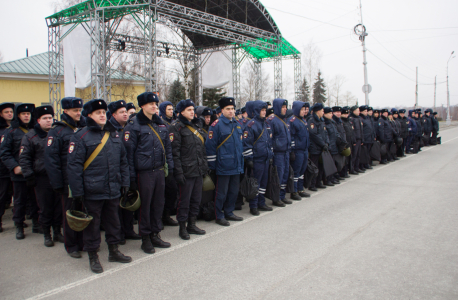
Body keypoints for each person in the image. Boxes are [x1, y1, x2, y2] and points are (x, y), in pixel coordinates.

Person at [67, 99, 132, 273]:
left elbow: (123, 162)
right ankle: (93, 256)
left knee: (113, 222)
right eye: (98, 113)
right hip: (92, 190)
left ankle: (114, 251)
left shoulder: (115, 134)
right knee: (92, 226)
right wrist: (77, 193)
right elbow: (74, 167)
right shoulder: (80, 136)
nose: (102, 115)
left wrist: (125, 183)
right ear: (89, 115)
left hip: (113, 188)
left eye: (104, 112)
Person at [123, 92, 174, 254]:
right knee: (145, 206)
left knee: (158, 204)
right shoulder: (134, 126)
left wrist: (170, 168)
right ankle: (145, 238)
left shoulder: (161, 125)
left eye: (156, 104)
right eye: (151, 104)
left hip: (159, 171)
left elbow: (168, 149)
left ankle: (155, 234)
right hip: (143, 173)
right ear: (142, 106)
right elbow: (128, 155)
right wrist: (131, 178)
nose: (154, 106)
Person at [19, 105, 64, 247]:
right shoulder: (30, 136)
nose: (48, 121)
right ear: (38, 120)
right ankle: (46, 234)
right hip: (41, 178)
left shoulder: (57, 134)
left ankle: (57, 232)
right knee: (45, 207)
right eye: (45, 118)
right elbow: (24, 158)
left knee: (58, 206)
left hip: (57, 176)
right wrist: (29, 175)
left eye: (50, 118)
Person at [45, 97, 85, 258]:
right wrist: (57, 183)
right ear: (65, 111)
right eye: (75, 110)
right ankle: (72, 245)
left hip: (82, 178)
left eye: (79, 110)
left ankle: (82, 242)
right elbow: (51, 159)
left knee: (82, 211)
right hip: (67, 180)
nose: (78, 113)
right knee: (70, 212)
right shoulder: (57, 131)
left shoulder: (82, 127)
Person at [169, 99, 208, 239]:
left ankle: (192, 224)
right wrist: (178, 173)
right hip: (186, 172)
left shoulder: (196, 125)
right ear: (181, 112)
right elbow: (175, 153)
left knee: (196, 199)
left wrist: (204, 167)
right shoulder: (176, 127)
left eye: (193, 109)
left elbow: (201, 149)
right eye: (189, 110)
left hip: (197, 170)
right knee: (184, 201)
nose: (192, 112)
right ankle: (182, 227)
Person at [0, 103, 40, 239]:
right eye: (24, 114)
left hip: (34, 172)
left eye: (28, 114)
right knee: (19, 200)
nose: (26, 116)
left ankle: (36, 223)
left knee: (35, 200)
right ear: (19, 116)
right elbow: (4, 153)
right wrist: (14, 167)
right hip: (19, 173)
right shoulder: (10, 132)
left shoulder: (36, 130)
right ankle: (19, 225)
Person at [205, 97, 244, 226]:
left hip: (236, 164)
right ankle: (219, 214)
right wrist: (212, 166)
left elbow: (239, 145)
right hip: (223, 165)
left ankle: (229, 212)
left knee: (233, 191)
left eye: (233, 108)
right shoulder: (216, 125)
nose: (231, 111)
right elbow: (210, 147)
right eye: (228, 109)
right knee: (221, 193)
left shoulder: (237, 124)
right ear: (222, 110)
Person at [108, 100, 142, 243]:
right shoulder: (109, 130)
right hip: (114, 172)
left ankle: (128, 230)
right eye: (121, 112)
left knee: (128, 200)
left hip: (127, 169)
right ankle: (118, 234)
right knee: (116, 207)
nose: (125, 114)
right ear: (114, 115)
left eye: (125, 112)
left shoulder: (129, 128)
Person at [243, 100, 274, 215]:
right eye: (262, 110)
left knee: (263, 183)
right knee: (255, 183)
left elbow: (269, 142)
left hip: (265, 158)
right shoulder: (251, 125)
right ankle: (253, 205)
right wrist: (249, 158)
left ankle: (261, 202)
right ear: (256, 111)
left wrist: (270, 155)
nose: (264, 112)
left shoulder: (265, 124)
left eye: (265, 110)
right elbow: (247, 143)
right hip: (257, 159)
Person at [266, 99, 292, 205]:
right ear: (277, 107)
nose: (285, 109)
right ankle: (276, 198)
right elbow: (270, 139)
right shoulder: (272, 120)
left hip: (285, 152)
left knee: (285, 174)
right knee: (278, 176)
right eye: (283, 107)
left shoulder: (284, 120)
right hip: (278, 153)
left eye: (286, 107)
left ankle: (282, 195)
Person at [158, 101, 179, 227]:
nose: (171, 111)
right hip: (164, 161)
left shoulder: (175, 123)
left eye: (172, 109)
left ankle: (167, 215)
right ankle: (161, 217)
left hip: (174, 160)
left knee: (172, 191)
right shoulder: (161, 124)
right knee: (163, 192)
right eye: (169, 109)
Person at [289, 101, 311, 199]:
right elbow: (292, 137)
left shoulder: (303, 120)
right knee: (296, 171)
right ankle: (294, 191)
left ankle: (300, 188)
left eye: (304, 109)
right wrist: (292, 150)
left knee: (302, 170)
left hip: (304, 149)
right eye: (302, 109)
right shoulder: (293, 121)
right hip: (298, 150)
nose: (304, 111)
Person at [0, 102, 14, 232]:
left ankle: (18, 219)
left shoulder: (15, 128)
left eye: (11, 111)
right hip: (2, 170)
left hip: (14, 169)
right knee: (2, 195)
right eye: (6, 112)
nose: (10, 114)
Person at [308, 103, 328, 191]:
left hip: (321, 147)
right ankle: (312, 184)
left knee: (321, 165)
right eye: (322, 111)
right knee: (314, 166)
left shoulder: (321, 120)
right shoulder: (312, 120)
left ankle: (318, 182)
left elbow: (325, 133)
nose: (323, 112)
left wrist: (326, 143)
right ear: (318, 111)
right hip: (315, 147)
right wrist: (323, 144)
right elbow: (314, 134)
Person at [323, 107, 341, 185]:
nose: (331, 115)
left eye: (331, 113)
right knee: (328, 164)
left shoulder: (332, 122)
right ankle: (327, 179)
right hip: (329, 145)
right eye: (329, 113)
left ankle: (332, 177)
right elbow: (326, 135)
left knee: (333, 163)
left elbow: (336, 132)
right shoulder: (324, 123)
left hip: (334, 145)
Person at [332, 106, 347, 180]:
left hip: (341, 143)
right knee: (336, 161)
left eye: (339, 112)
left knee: (341, 160)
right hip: (336, 143)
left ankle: (338, 174)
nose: (338, 114)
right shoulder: (333, 121)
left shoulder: (340, 121)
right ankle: (335, 175)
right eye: (337, 112)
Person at [340, 106, 354, 178]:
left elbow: (351, 131)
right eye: (344, 114)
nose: (346, 115)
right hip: (345, 142)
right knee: (344, 159)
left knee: (349, 157)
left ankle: (348, 170)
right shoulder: (341, 121)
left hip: (349, 141)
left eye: (347, 114)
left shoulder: (348, 121)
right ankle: (343, 172)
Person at [349, 106, 364, 174]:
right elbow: (353, 131)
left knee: (358, 155)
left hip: (359, 139)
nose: (359, 112)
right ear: (353, 111)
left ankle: (356, 167)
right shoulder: (352, 119)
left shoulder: (359, 118)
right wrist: (354, 140)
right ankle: (351, 169)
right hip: (355, 140)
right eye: (357, 110)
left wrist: (362, 139)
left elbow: (361, 130)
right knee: (354, 155)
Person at [359, 105, 374, 170]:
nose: (366, 112)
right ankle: (362, 165)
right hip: (365, 138)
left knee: (367, 152)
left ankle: (367, 163)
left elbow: (371, 128)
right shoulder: (361, 118)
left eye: (366, 111)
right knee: (363, 153)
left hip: (370, 138)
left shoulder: (367, 118)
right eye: (365, 111)